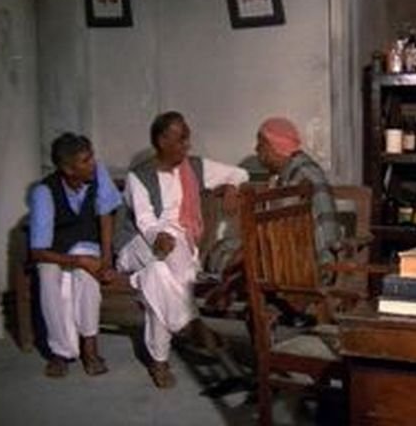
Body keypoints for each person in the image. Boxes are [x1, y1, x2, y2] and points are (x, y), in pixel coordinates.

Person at [115, 111, 248, 389]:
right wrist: (158, 237)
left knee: (156, 274)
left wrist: (232, 187)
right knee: (168, 264)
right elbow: (145, 221)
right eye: (181, 139)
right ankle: (191, 324)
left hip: (177, 242)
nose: (188, 145)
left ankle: (159, 360)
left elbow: (239, 173)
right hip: (136, 242)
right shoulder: (139, 176)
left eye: (188, 138)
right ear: (162, 141)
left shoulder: (194, 167)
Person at [29, 133, 122, 378]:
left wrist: (106, 261)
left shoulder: (98, 173)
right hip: (55, 251)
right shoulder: (44, 192)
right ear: (68, 169)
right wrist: (79, 261)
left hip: (88, 243)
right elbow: (37, 251)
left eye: (91, 157)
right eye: (85, 161)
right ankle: (60, 352)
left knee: (87, 277)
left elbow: (106, 218)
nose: (93, 163)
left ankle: (90, 348)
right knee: (48, 277)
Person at [255, 117, 342, 267]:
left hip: (309, 267)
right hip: (304, 263)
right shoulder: (293, 171)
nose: (256, 149)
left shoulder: (301, 177)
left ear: (274, 146)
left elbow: (282, 235)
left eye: (261, 144)